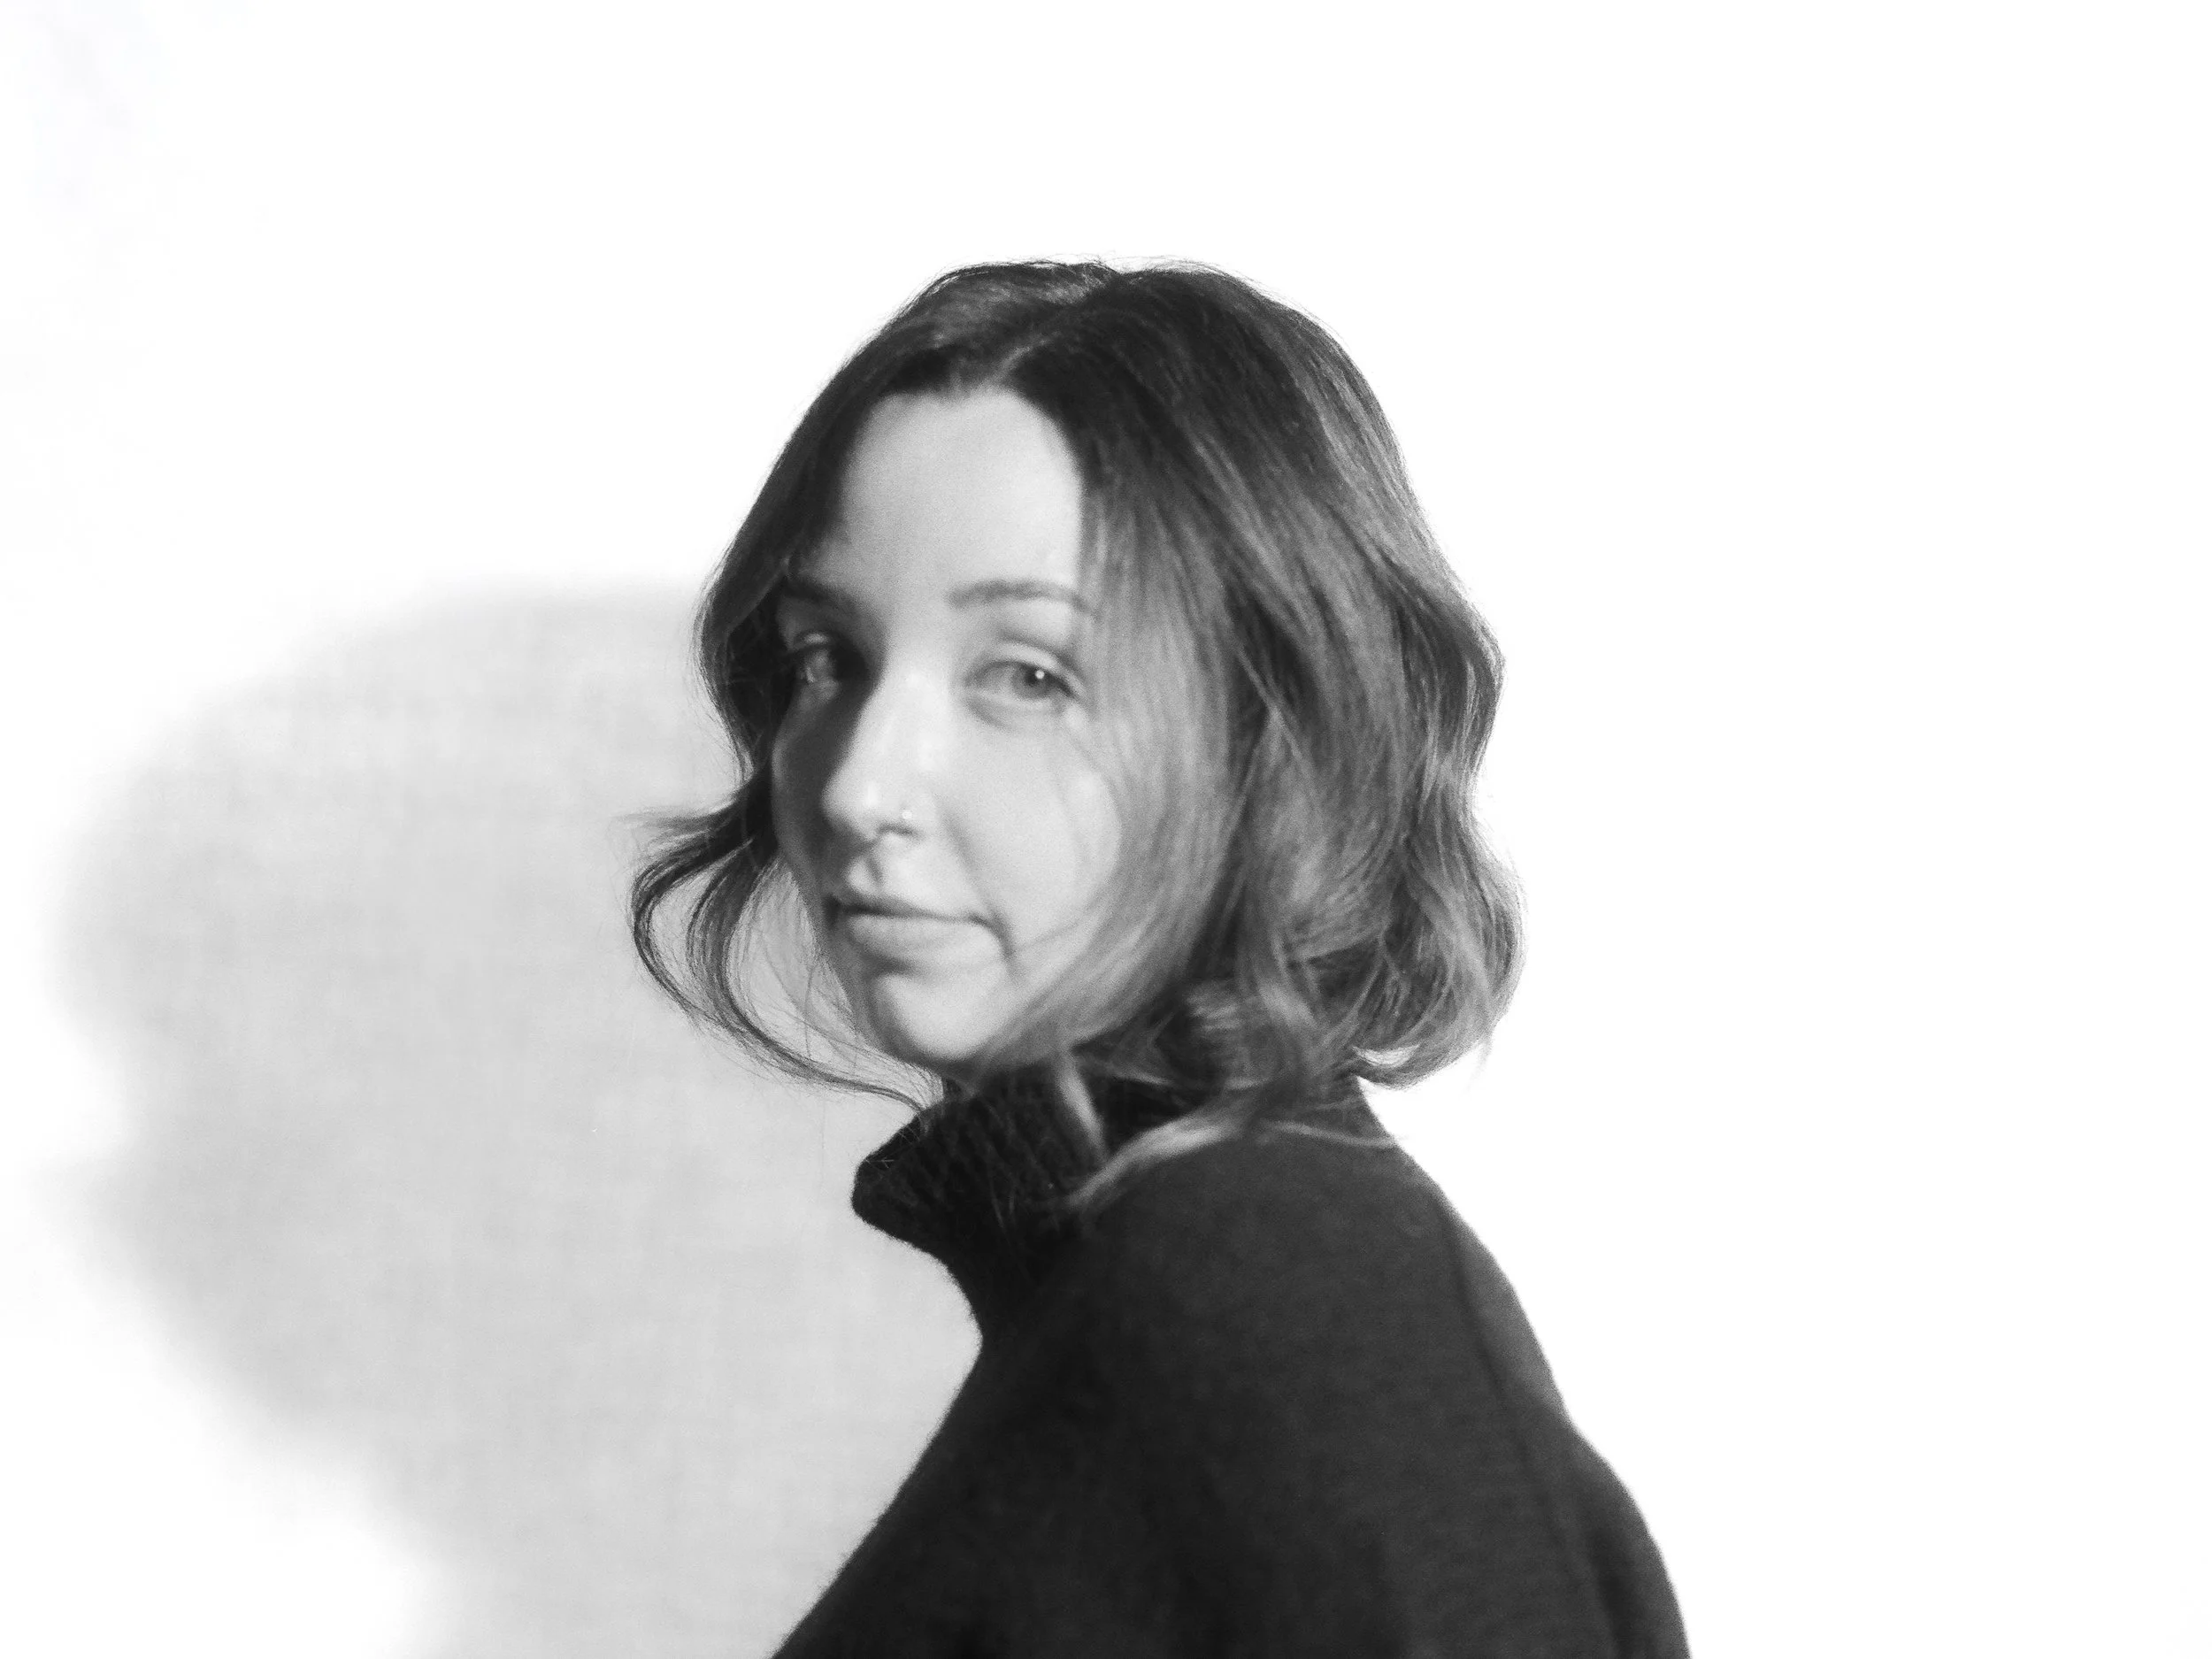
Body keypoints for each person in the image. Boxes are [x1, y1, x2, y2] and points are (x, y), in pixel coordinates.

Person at [632, 261, 1689, 1657]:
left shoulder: (1272, 1281)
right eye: (828, 655)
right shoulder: (1169, 1268)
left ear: (1274, 730)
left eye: (1028, 674)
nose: (856, 785)